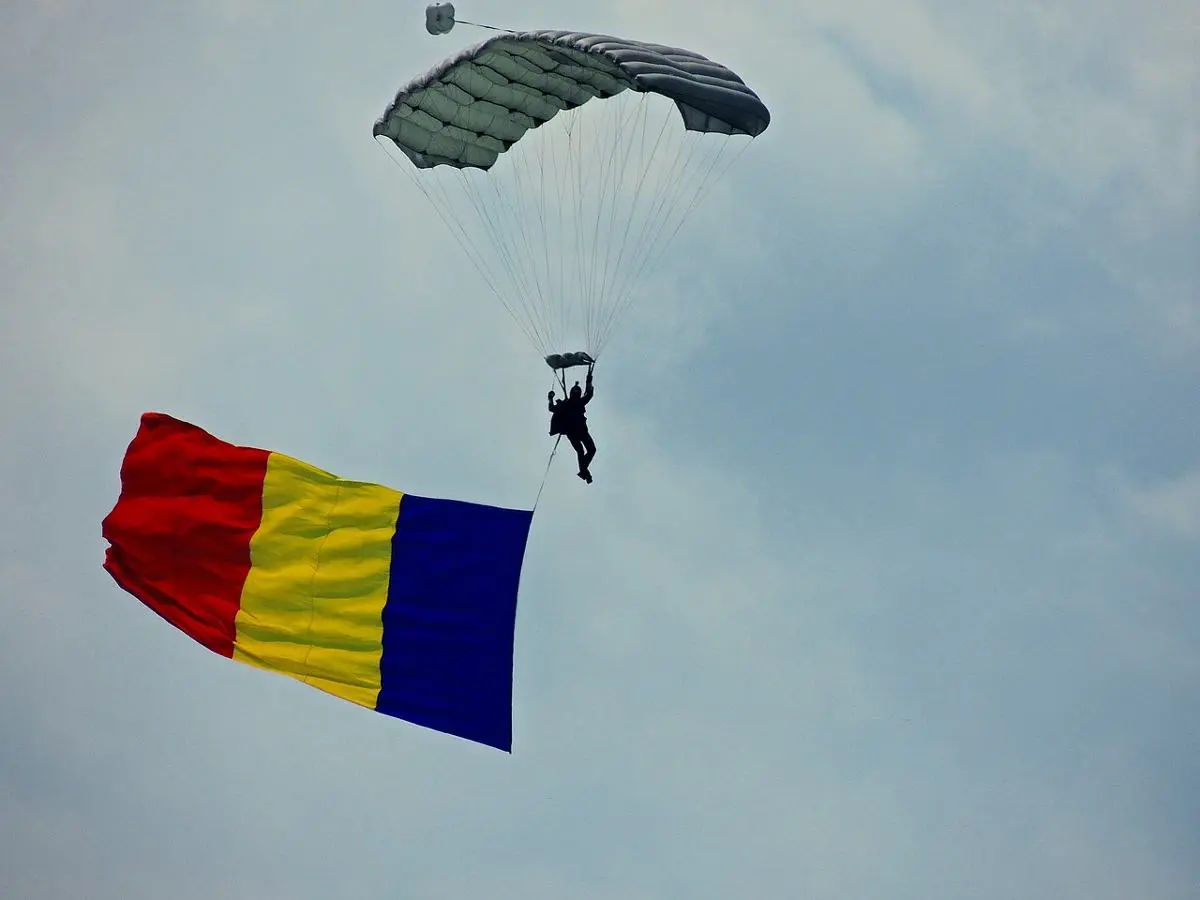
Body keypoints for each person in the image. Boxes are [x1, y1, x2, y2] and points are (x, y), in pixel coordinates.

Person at [548, 366, 596, 483]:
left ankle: (584, 471)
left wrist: (588, 380)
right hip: (576, 432)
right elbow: (589, 394)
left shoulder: (572, 403)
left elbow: (588, 394)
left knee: (588, 450)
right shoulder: (569, 404)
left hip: (578, 432)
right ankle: (584, 472)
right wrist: (588, 381)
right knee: (586, 450)